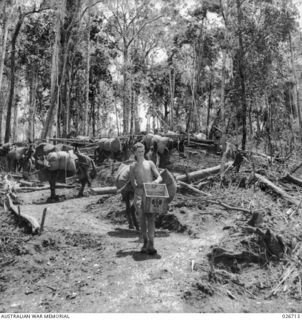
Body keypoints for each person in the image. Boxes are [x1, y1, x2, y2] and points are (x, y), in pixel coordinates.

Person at [130, 142, 162, 255]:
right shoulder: (133, 166)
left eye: (142, 151)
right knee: (142, 219)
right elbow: (132, 181)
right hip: (139, 194)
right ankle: (145, 242)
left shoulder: (150, 163)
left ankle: (152, 243)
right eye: (138, 152)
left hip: (150, 192)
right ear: (135, 152)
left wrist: (154, 182)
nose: (141, 154)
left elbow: (159, 177)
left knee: (151, 218)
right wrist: (137, 187)